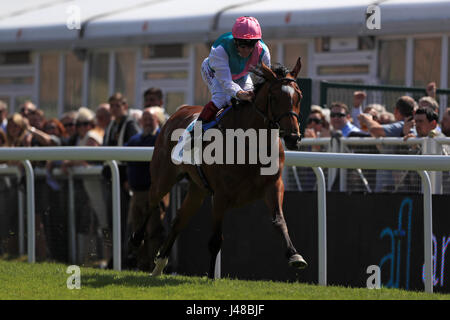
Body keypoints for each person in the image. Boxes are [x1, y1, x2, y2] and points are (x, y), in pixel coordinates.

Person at [198, 16, 270, 125]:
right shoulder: (220, 49)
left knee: (252, 99)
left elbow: (264, 81)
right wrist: (240, 93)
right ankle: (195, 133)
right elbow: (226, 83)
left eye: (251, 45)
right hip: (214, 73)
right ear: (235, 41)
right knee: (221, 98)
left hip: (242, 75)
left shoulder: (263, 52)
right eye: (243, 45)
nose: (247, 50)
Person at [102, 92, 141, 268]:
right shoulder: (111, 125)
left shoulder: (130, 124)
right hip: (113, 179)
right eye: (112, 106)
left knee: (126, 222)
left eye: (117, 105)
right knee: (113, 221)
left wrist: (127, 179)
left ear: (125, 106)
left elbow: (133, 152)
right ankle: (116, 258)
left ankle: (125, 259)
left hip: (125, 181)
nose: (114, 109)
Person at [125, 108, 163, 271]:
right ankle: (142, 266)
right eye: (145, 119)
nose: (147, 122)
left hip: (155, 193)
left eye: (151, 119)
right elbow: (125, 161)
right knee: (137, 230)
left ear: (158, 120)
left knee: (154, 230)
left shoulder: (161, 138)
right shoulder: (134, 140)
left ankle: (156, 266)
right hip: (137, 193)